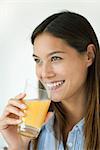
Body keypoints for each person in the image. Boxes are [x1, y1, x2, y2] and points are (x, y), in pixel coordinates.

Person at [0, 10, 100, 150]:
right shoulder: (31, 130)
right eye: (38, 60)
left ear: (89, 55)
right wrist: (18, 146)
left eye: (55, 58)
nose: (44, 73)